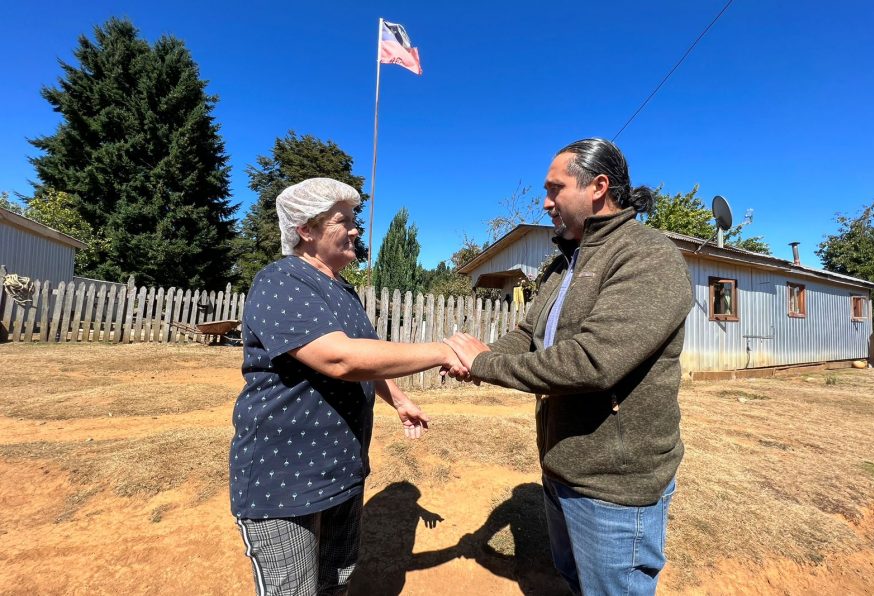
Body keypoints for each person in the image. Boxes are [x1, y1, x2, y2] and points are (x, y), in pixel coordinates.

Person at [445, 138, 693, 595]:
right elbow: (528, 334)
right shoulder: (565, 263)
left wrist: (483, 364)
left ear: (598, 186)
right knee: (574, 582)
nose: (546, 202)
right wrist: (480, 360)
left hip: (613, 485)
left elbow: (592, 363)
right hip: (562, 466)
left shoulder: (646, 256)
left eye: (555, 188)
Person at [229, 177, 464, 596]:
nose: (356, 229)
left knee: (336, 581)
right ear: (306, 230)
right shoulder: (281, 280)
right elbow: (339, 358)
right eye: (344, 220)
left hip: (341, 468)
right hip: (285, 477)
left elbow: (367, 357)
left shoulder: (342, 289)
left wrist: (400, 399)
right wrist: (445, 350)